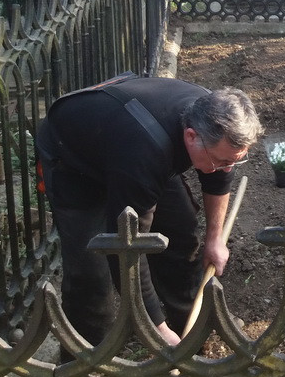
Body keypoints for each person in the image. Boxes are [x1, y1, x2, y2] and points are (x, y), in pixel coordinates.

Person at [36, 75, 263, 346]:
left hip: (128, 142)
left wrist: (214, 239)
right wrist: (156, 328)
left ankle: (194, 324)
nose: (226, 169)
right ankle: (87, 358)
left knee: (180, 234)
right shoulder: (145, 155)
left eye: (234, 161)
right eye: (222, 161)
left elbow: (219, 178)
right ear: (191, 137)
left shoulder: (214, 120)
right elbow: (126, 248)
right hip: (74, 160)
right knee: (92, 274)